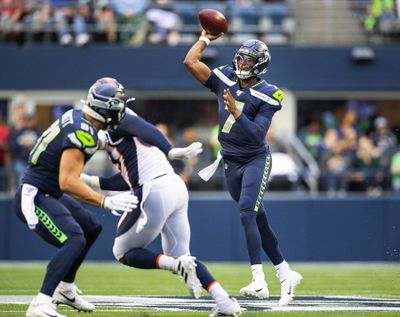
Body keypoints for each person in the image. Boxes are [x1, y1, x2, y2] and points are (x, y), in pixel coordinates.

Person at [80, 78, 241, 316]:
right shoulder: (119, 133)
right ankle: (225, 301)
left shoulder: (121, 123)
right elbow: (126, 177)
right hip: (173, 186)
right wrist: (88, 180)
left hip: (154, 190)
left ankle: (174, 265)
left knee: (122, 252)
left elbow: (149, 130)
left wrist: (171, 150)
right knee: (183, 255)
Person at [183, 31, 302, 306]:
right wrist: (205, 38)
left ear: (259, 64)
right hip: (230, 160)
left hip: (255, 159)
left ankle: (259, 279)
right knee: (257, 217)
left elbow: (258, 134)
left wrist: (237, 113)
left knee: (247, 210)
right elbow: (190, 62)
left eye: (248, 61)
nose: (242, 64)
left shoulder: (269, 93)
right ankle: (285, 273)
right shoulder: (224, 77)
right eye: (240, 58)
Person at [14, 78, 138, 317]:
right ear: (106, 107)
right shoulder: (83, 131)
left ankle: (65, 288)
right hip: (35, 194)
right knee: (74, 238)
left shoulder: (79, 119)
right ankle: (41, 302)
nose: (121, 109)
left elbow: (91, 141)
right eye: (118, 104)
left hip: (48, 190)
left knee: (91, 227)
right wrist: (105, 200)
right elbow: (68, 181)